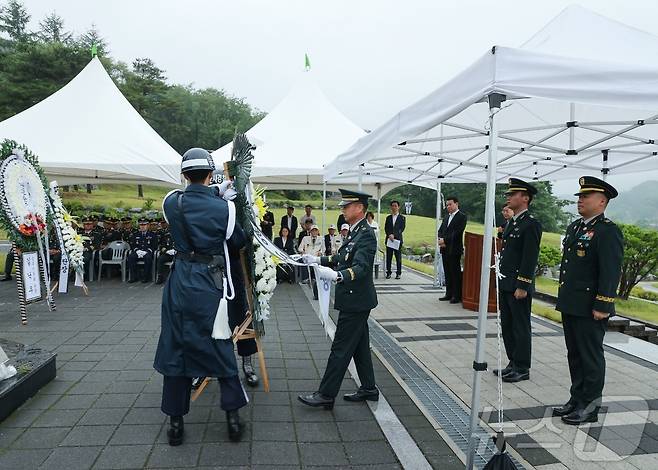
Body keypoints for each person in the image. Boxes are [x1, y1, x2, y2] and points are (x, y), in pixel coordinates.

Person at [153, 148, 248, 446]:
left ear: (183, 174)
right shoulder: (226, 210)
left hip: (180, 279)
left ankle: (176, 424)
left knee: (175, 346)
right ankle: (232, 418)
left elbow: (188, 195)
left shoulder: (171, 203)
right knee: (219, 344)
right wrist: (225, 194)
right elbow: (237, 241)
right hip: (210, 283)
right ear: (210, 174)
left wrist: (215, 190)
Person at [298, 189, 378, 410]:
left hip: (356, 301)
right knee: (360, 346)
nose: (343, 208)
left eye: (347, 205)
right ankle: (369, 388)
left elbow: (361, 267)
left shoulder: (367, 234)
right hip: (357, 300)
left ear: (359, 207)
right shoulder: (355, 231)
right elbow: (342, 256)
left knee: (341, 349)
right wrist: (315, 259)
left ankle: (326, 394)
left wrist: (339, 275)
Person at [552, 176, 623, 425]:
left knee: (590, 356)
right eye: (580, 196)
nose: (580, 200)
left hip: (591, 307)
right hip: (572, 304)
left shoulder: (607, 231)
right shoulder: (576, 227)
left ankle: (590, 406)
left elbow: (610, 271)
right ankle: (576, 398)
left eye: (586, 196)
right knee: (575, 354)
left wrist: (603, 305)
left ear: (602, 201)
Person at [494, 178, 542, 383]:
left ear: (525, 198)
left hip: (518, 285)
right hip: (507, 283)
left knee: (520, 327)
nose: (508, 197)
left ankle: (522, 366)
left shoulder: (531, 224)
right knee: (508, 325)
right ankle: (513, 362)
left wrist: (523, 285)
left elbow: (529, 258)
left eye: (512, 194)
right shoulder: (513, 222)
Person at [437, 197, 467, 304]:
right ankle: (448, 293)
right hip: (444, 249)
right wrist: (440, 238)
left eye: (450, 204)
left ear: (456, 204)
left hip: (454, 249)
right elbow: (440, 230)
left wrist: (445, 240)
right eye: (447, 205)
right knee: (447, 272)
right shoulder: (446, 217)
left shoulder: (462, 217)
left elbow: (457, 232)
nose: (448, 207)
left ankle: (456, 295)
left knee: (455, 273)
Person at [127, 218, 158, 283]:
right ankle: (133, 277)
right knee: (131, 257)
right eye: (141, 225)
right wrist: (137, 250)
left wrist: (147, 251)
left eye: (144, 225)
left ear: (148, 225)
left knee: (148, 257)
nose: (142, 226)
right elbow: (133, 245)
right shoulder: (135, 234)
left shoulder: (153, 235)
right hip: (138, 252)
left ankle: (145, 277)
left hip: (147, 252)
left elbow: (154, 246)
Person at [384, 200, 405, 279]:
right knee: (389, 257)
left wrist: (394, 235)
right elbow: (386, 228)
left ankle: (398, 273)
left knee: (398, 257)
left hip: (397, 240)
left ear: (398, 207)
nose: (394, 207)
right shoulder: (388, 218)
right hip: (389, 240)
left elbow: (401, 229)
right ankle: (388, 272)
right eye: (392, 206)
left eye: (395, 206)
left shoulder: (402, 218)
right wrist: (389, 234)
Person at [78, 216, 101, 281]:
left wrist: (87, 248)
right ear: (83, 225)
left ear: (92, 224)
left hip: (89, 251)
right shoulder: (79, 233)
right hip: (79, 251)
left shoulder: (96, 234)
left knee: (85, 259)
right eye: (86, 224)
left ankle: (85, 275)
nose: (87, 226)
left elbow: (97, 245)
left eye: (89, 224)